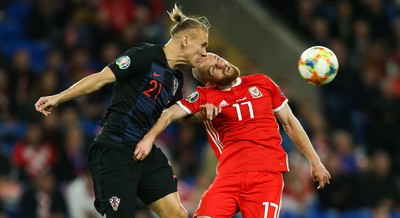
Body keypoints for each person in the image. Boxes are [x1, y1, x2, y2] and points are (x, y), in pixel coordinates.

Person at [35, 4, 210, 218]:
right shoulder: (145, 55)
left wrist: (206, 112)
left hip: (144, 151)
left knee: (178, 215)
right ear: (185, 40)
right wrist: (58, 97)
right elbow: (100, 79)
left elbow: (176, 115)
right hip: (115, 149)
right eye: (202, 45)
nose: (204, 52)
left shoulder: (175, 79)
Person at [135, 53, 331, 218]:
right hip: (228, 177)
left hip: (265, 176)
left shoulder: (262, 83)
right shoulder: (205, 96)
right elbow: (170, 114)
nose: (221, 64)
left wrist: (315, 161)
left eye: (219, 59)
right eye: (214, 69)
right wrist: (149, 138)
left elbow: (289, 122)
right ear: (209, 82)